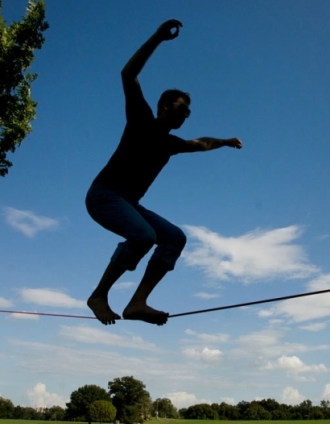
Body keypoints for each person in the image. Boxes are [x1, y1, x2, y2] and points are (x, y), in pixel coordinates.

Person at [86, 19, 242, 326]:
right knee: (144, 236)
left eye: (189, 112)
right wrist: (157, 38)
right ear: (166, 106)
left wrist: (224, 142)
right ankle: (99, 295)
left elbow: (201, 143)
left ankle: (137, 302)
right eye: (182, 108)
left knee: (174, 237)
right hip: (104, 195)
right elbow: (128, 74)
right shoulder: (141, 118)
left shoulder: (171, 144)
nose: (186, 114)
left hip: (129, 203)